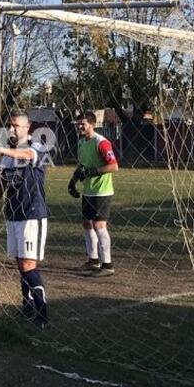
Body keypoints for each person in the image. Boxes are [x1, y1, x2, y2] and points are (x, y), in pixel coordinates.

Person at [0, 111, 49, 329]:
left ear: (27, 128)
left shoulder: (36, 147)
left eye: (15, 126)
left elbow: (27, 155)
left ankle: (42, 313)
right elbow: (2, 184)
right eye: (9, 126)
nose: (11, 130)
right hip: (13, 214)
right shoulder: (8, 156)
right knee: (20, 263)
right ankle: (27, 305)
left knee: (28, 264)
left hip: (32, 214)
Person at [68, 111, 119, 277]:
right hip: (88, 191)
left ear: (92, 124)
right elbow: (82, 167)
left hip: (102, 191)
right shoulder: (82, 142)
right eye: (78, 124)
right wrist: (73, 181)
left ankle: (107, 265)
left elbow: (114, 166)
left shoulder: (101, 142)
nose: (80, 126)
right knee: (87, 224)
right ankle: (93, 260)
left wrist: (93, 171)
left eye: (83, 124)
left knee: (99, 225)